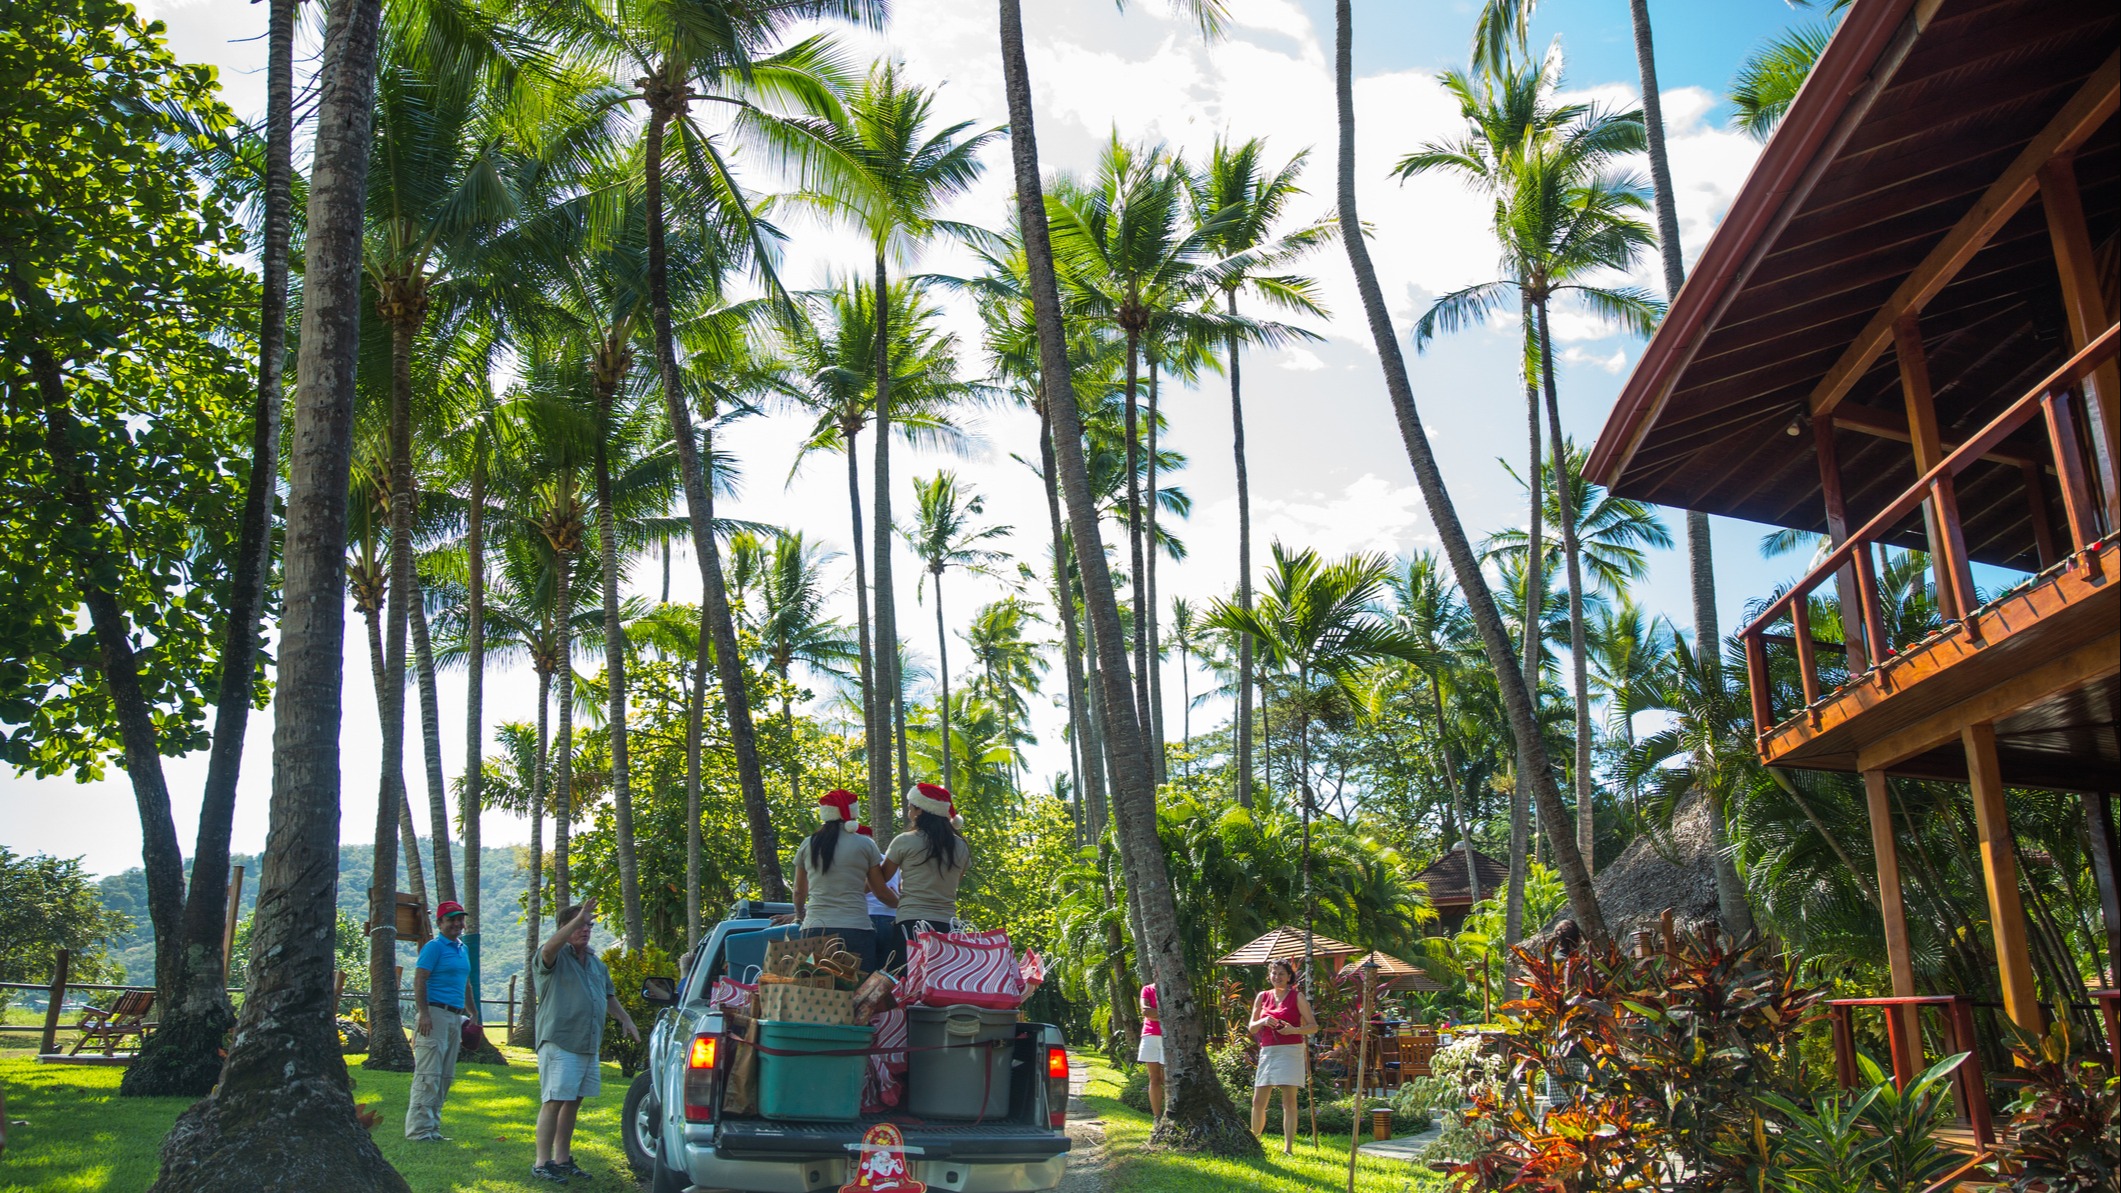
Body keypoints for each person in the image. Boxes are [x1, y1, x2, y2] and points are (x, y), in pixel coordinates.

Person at [532, 900, 638, 1183]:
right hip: (560, 1040)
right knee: (554, 1100)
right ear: (565, 928)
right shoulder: (553, 957)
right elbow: (547, 949)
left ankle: (562, 1159)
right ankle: (542, 1162)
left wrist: (626, 1020)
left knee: (573, 1101)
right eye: (580, 925)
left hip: (588, 1043)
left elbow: (608, 997)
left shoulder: (595, 963)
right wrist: (576, 917)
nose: (586, 930)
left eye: (589, 925)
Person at [792, 789, 896, 971]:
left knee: (817, 990)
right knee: (860, 993)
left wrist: (800, 915)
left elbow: (799, 891)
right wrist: (905, 906)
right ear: (852, 814)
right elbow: (880, 891)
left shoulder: (809, 844)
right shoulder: (865, 844)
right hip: (856, 928)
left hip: (815, 928)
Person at [406, 899, 474, 1141]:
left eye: (460, 919)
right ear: (439, 923)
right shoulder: (433, 948)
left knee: (445, 1076)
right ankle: (419, 1131)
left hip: (455, 1016)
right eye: (451, 919)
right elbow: (420, 979)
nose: (457, 923)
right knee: (428, 1074)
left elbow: (466, 983)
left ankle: (433, 1128)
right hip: (434, 1015)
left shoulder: (462, 949)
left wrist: (473, 1013)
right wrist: (423, 1013)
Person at [880, 783, 971, 962]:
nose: (908, 813)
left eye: (910, 808)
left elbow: (882, 877)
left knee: (907, 984)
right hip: (948, 926)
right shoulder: (961, 846)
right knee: (940, 986)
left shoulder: (905, 841)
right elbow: (954, 882)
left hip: (911, 924)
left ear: (920, 811)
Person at [1248, 958, 1317, 1154]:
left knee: (1289, 1101)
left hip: (1291, 1051)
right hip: (1268, 1051)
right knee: (1258, 1101)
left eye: (1281, 974)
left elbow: (1313, 1026)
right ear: (1269, 975)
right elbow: (1251, 1028)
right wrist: (1263, 1020)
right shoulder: (1262, 996)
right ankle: (1256, 1142)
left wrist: (1293, 1030)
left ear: (1289, 977)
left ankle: (1288, 1148)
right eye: (1274, 973)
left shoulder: (1297, 997)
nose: (1277, 977)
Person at [857, 824, 905, 972]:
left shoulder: (852, 862)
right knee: (887, 971)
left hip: (865, 918)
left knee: (864, 971)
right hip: (890, 918)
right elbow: (894, 890)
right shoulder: (887, 861)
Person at [1137, 982, 1164, 1119]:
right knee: (1154, 1078)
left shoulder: (1173, 986)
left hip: (1169, 1037)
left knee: (1168, 1078)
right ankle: (1157, 1116)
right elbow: (1146, 1011)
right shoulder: (1147, 989)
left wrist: (1156, 1014)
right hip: (1150, 1036)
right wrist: (1165, 1013)